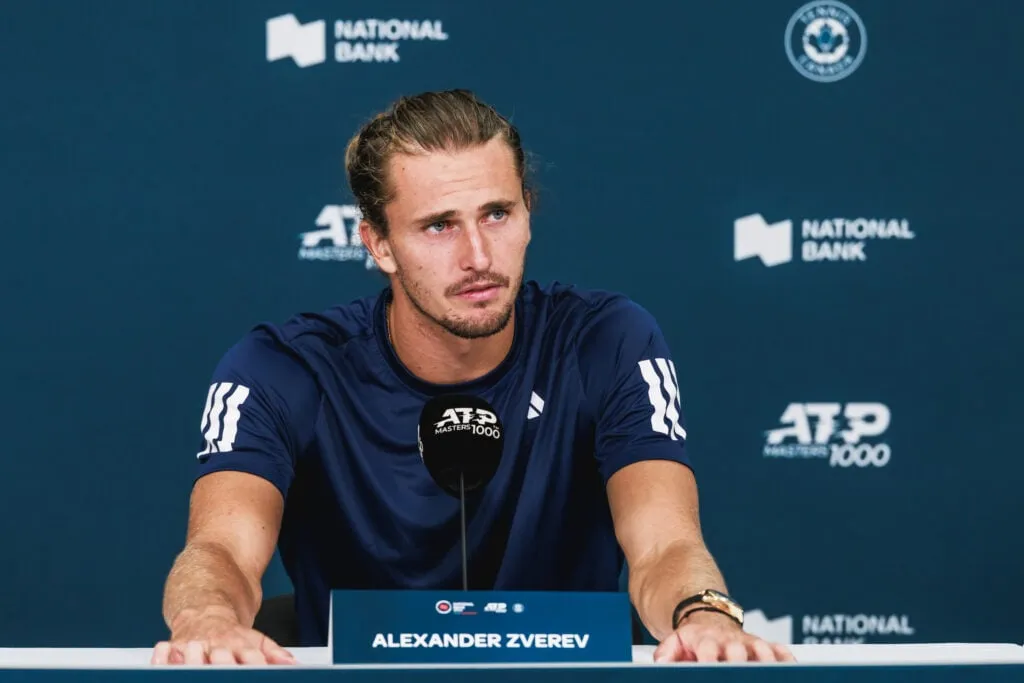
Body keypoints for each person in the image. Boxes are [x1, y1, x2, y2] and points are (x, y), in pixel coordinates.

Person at [152, 89, 795, 666]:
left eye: (496, 214)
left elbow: (664, 545)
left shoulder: (606, 341)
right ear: (377, 244)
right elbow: (221, 552)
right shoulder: (282, 368)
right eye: (438, 226)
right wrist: (207, 619)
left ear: (527, 215)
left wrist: (702, 615)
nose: (479, 258)